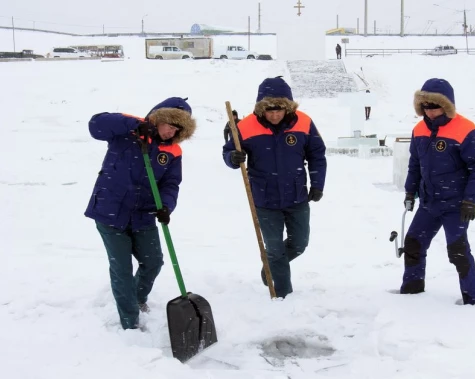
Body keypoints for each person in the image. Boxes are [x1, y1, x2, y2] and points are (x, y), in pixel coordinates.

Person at [85, 97, 196, 329]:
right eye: (169, 125)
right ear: (158, 119)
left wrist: (166, 205)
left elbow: (171, 184)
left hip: (143, 215)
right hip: (110, 212)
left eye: (178, 128)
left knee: (153, 262)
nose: (171, 132)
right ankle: (130, 322)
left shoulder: (173, 151)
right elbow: (95, 125)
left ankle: (137, 298)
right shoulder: (128, 131)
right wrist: (133, 126)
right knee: (122, 269)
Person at [222, 77, 327, 298]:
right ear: (262, 108)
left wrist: (317, 184)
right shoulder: (246, 125)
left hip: (297, 195)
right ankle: (283, 294)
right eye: (269, 110)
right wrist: (233, 157)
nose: (275, 114)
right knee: (275, 249)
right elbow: (228, 152)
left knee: (299, 244)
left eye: (279, 109)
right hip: (263, 198)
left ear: (287, 107)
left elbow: (317, 155)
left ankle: (269, 268)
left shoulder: (304, 122)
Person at [400, 78, 475, 305]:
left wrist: (470, 199)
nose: (429, 112)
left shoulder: (466, 130)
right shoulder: (419, 130)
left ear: (447, 105)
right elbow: (414, 165)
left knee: (458, 251)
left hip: (456, 205)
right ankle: (411, 292)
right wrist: (410, 192)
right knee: (413, 244)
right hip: (429, 203)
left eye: (435, 106)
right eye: (425, 107)